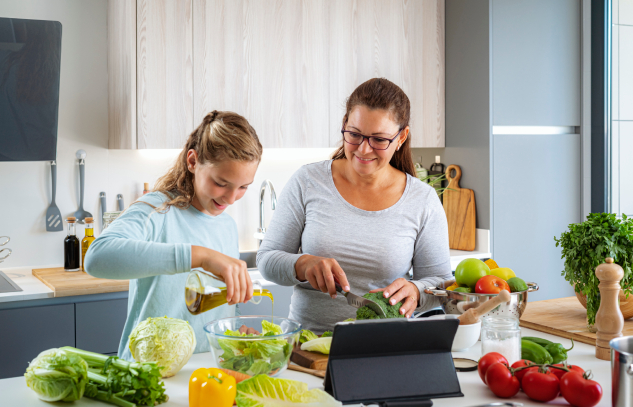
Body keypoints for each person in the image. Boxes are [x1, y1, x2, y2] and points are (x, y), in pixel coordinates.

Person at [257, 78, 452, 333]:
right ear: (344, 125)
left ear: (401, 137)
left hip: (384, 346)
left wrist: (416, 290)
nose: (363, 149)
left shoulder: (422, 200)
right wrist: (302, 265)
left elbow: (441, 285)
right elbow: (267, 260)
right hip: (306, 344)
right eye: (355, 134)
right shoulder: (308, 181)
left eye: (379, 139)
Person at [85, 111, 262, 359]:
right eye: (221, 183)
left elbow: (220, 308)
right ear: (193, 161)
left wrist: (234, 335)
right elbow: (96, 258)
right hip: (147, 373)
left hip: (201, 372)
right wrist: (199, 256)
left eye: (243, 187)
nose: (231, 198)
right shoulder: (156, 210)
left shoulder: (227, 226)